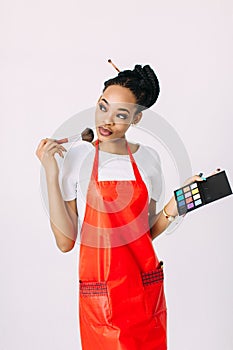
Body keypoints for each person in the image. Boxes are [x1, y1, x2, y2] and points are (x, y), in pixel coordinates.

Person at [36, 62, 213, 349]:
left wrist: (176, 203)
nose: (106, 121)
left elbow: (143, 234)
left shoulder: (149, 159)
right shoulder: (78, 158)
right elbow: (65, 241)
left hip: (144, 294)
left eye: (121, 115)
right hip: (101, 299)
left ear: (137, 118)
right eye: (102, 107)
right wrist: (50, 172)